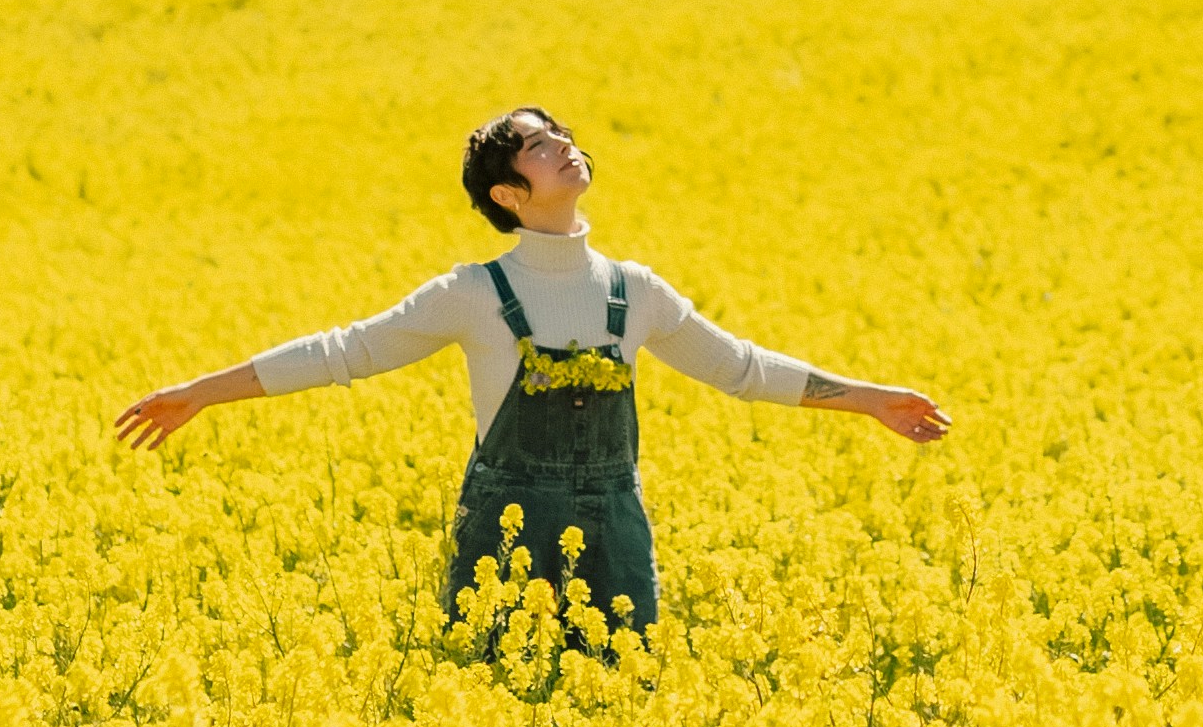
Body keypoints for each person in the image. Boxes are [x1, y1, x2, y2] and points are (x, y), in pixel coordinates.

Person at [113, 107, 951, 635]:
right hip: (502, 526)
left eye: (563, 139)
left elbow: (739, 368)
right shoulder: (476, 294)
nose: (566, 149)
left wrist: (869, 400)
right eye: (541, 148)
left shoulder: (636, 292)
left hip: (613, 531)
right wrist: (200, 394)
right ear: (509, 196)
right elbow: (344, 352)